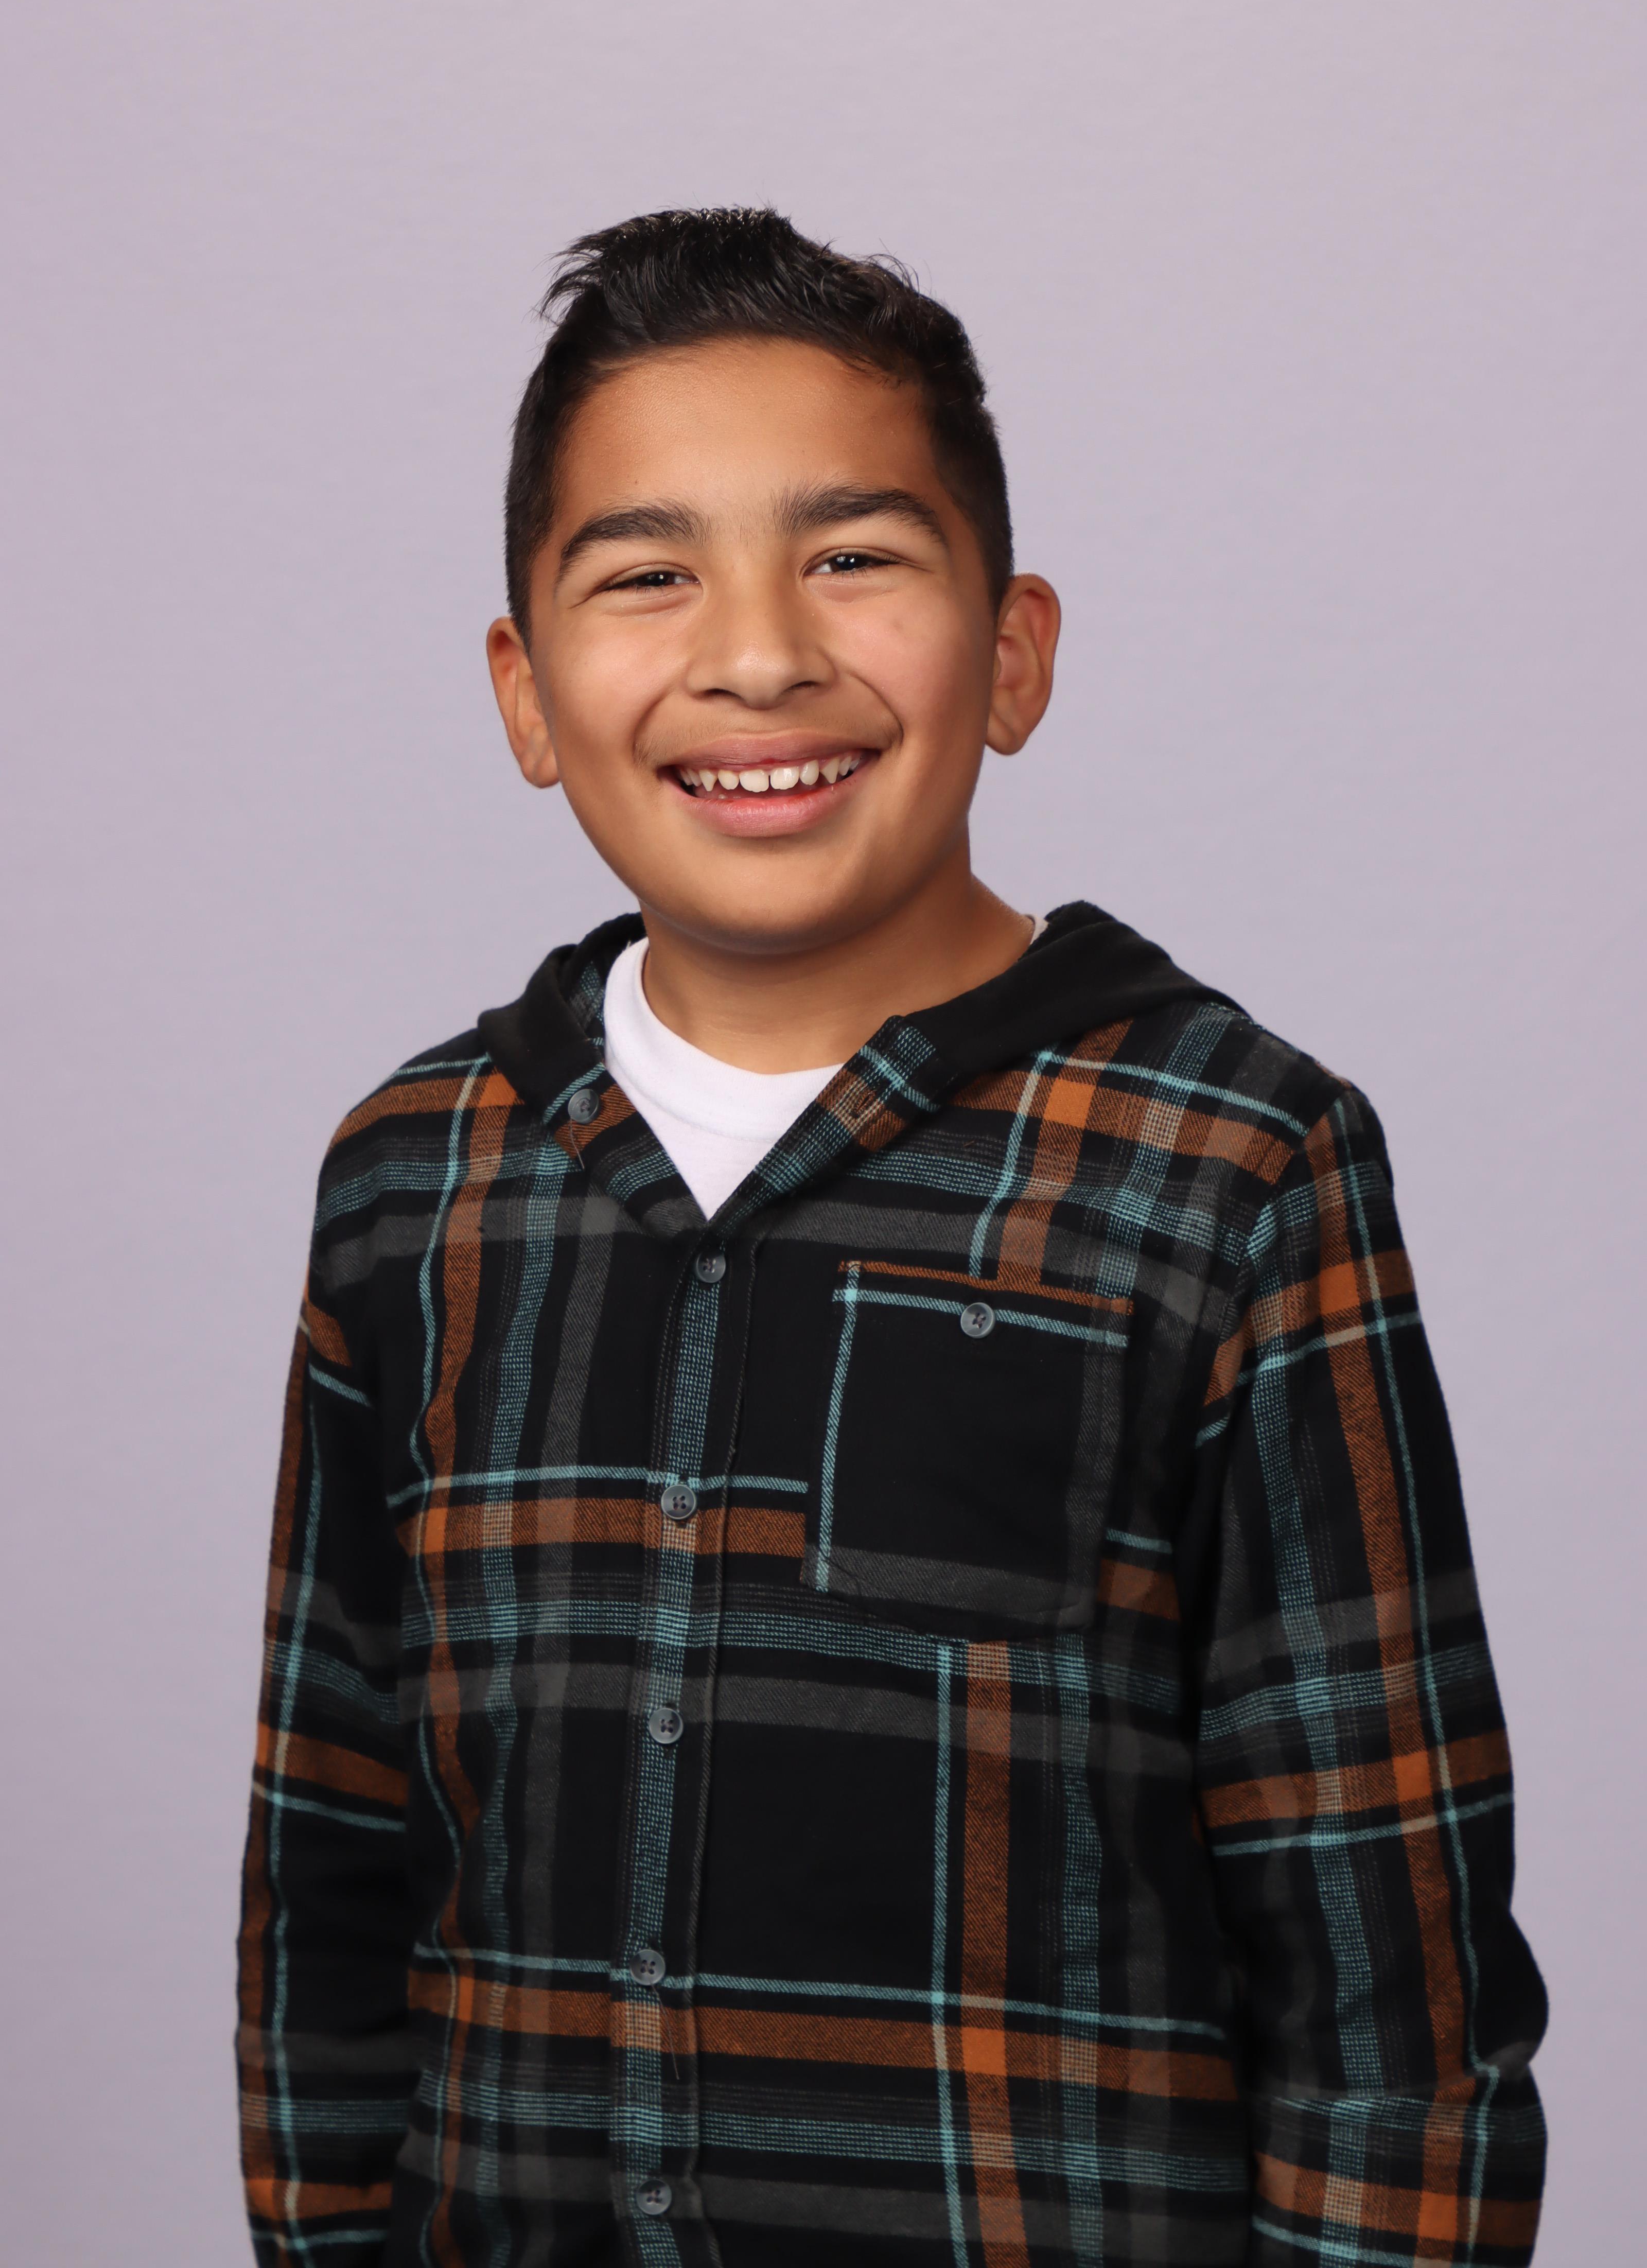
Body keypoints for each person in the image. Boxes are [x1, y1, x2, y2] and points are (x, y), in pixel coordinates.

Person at [237, 208, 1546, 2267]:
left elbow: (1389, 1988)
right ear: (524, 691)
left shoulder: (1227, 1165)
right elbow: (327, 1884)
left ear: (1012, 652)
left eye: (852, 557)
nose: (758, 654)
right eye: (646, 574)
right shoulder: (415, 1183)